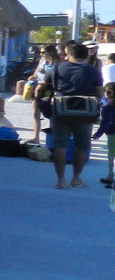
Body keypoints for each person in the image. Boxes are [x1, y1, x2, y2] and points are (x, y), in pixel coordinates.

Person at [48, 41, 104, 189]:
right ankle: (76, 178)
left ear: (69, 54)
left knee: (60, 146)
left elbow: (42, 86)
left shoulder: (58, 68)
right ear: (85, 56)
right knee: (81, 146)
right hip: (84, 113)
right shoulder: (92, 70)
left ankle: (61, 180)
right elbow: (99, 92)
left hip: (60, 110)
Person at [94, 82, 115, 188]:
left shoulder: (108, 107)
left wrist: (98, 134)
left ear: (108, 93)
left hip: (113, 134)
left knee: (112, 156)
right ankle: (110, 176)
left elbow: (105, 123)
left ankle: (111, 177)